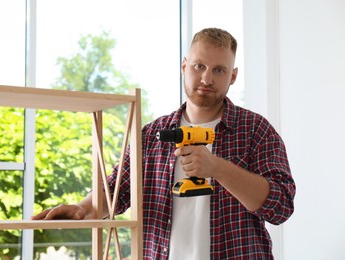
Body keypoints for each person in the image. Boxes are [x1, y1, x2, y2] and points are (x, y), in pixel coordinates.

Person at [32, 27, 296, 259]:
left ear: (233, 76)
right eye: (199, 66)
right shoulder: (152, 135)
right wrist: (81, 208)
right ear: (184, 66)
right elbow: (115, 191)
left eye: (219, 70)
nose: (206, 79)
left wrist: (217, 168)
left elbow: (281, 206)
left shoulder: (256, 131)